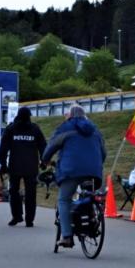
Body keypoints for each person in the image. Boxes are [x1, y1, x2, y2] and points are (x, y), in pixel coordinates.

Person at [41, 104, 106, 248]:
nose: (65, 117)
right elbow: (103, 152)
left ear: (70, 115)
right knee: (89, 195)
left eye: (66, 114)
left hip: (71, 170)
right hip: (93, 170)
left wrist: (44, 161)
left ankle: (67, 237)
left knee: (64, 200)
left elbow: (52, 145)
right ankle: (91, 221)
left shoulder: (66, 127)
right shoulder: (94, 129)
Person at [0, 107, 47, 227]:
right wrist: (44, 161)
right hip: (31, 166)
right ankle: (29, 220)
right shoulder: (35, 129)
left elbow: (3, 148)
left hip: (15, 166)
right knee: (31, 193)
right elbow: (43, 146)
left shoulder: (11, 129)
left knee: (14, 191)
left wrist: (3, 164)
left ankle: (16, 216)